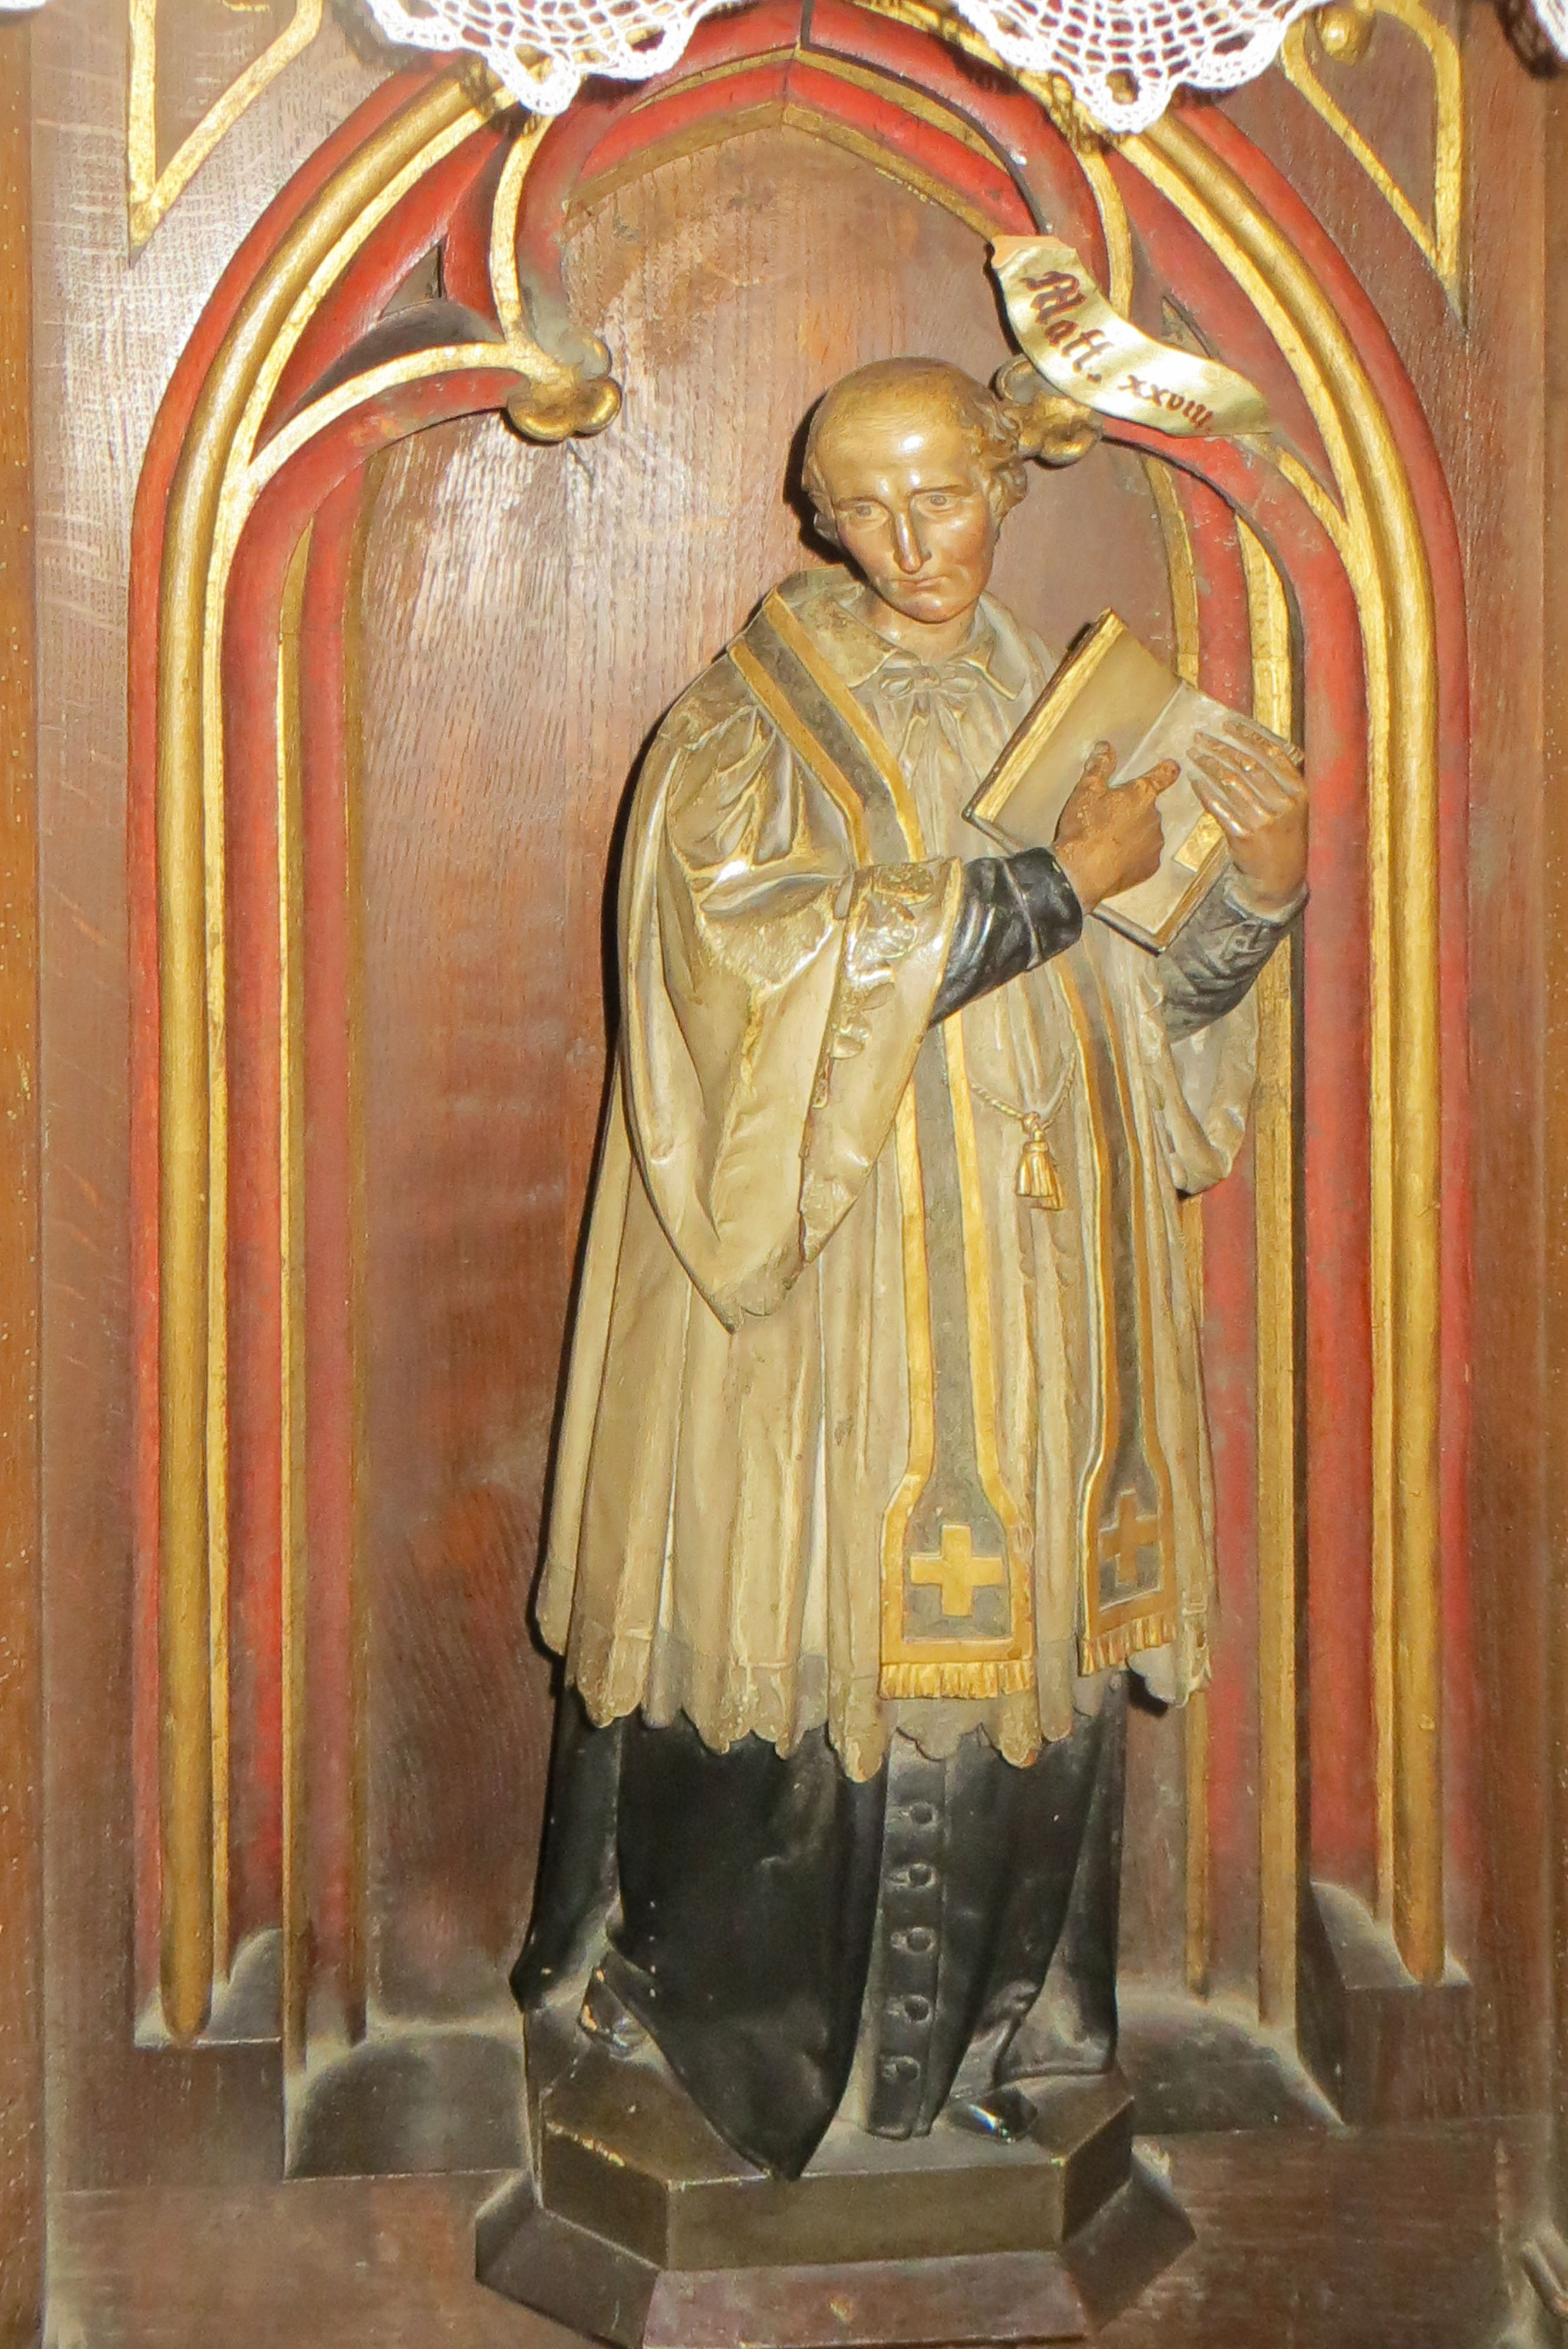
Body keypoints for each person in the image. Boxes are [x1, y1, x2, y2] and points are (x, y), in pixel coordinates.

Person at [512, 356, 1309, 2180]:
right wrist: (1038, 890)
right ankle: (771, 2057)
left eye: (942, 493)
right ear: (817, 522)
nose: (910, 539)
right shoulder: (744, 733)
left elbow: (1161, 1010)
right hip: (832, 1301)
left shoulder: (1085, 716)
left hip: (1046, 1287)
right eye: (864, 507)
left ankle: (990, 2048)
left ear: (1006, 485)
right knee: (818, 1635)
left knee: (1020, 1638)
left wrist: (1257, 888)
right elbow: (737, 971)